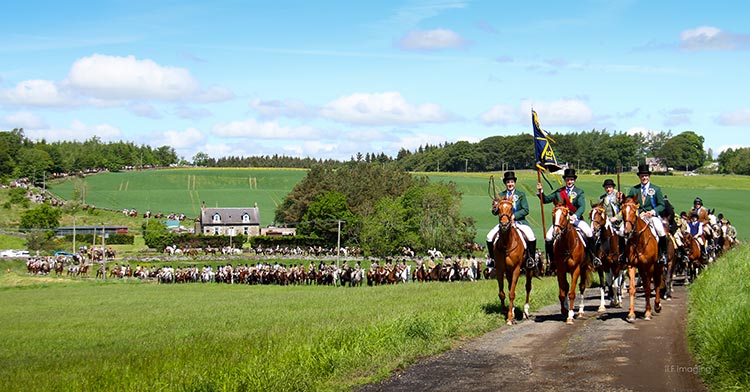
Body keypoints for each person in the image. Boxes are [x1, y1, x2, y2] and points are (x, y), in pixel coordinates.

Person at [536, 168, 601, 267]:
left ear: (574, 180)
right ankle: (552, 261)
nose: (569, 181)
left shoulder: (579, 192)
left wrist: (575, 216)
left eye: (571, 179)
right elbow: (545, 200)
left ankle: (593, 257)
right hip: (561, 221)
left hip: (575, 219)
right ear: (565, 180)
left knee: (588, 232)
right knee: (549, 237)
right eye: (567, 179)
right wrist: (540, 191)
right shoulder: (559, 192)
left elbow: (582, 206)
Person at [487, 171, 537, 268]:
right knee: (489, 237)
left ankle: (531, 259)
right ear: (505, 183)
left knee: (531, 236)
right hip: (504, 223)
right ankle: (492, 259)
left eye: (512, 182)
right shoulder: (500, 196)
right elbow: (495, 213)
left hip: (519, 222)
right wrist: (495, 207)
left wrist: (514, 216)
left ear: (514, 183)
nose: (510, 184)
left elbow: (526, 210)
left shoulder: (521, 195)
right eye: (508, 182)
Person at [625, 164, 668, 264]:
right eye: (642, 176)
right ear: (639, 177)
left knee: (661, 230)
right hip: (638, 217)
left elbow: (661, 205)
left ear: (649, 176)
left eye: (646, 176)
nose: (644, 178)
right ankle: (625, 255)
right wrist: (621, 198)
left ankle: (662, 254)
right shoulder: (634, 189)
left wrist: (653, 212)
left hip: (652, 216)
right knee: (624, 231)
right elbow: (628, 201)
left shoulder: (656, 189)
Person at [598, 178, 625, 264]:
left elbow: (623, 210)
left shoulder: (618, 197)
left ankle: (624, 255)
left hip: (618, 223)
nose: (608, 189)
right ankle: (598, 257)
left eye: (610, 187)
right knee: (597, 236)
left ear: (613, 188)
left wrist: (616, 218)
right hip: (607, 223)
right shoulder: (601, 198)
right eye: (606, 187)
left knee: (623, 234)